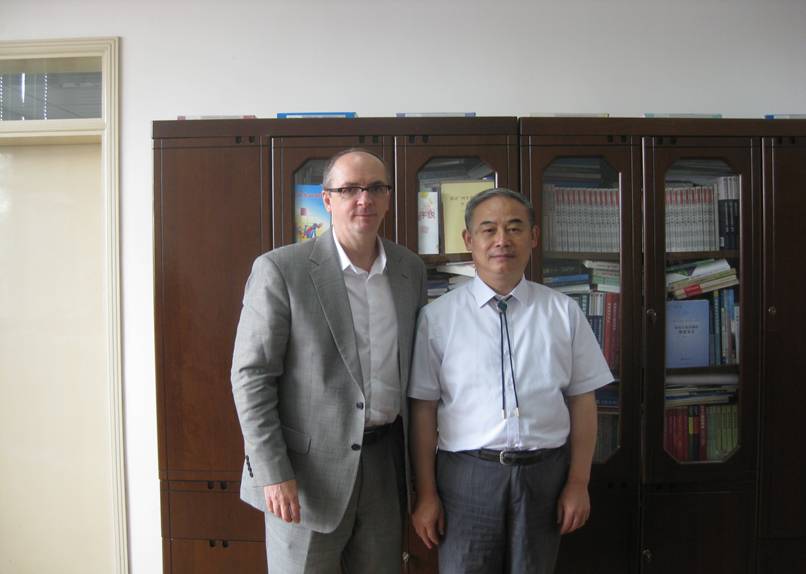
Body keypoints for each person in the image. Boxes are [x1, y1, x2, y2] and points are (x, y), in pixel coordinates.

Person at [231, 149, 427, 573]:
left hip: (385, 467)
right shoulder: (281, 269)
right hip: (303, 475)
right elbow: (251, 378)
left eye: (376, 188)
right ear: (327, 200)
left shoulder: (409, 270)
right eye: (349, 189)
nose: (364, 199)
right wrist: (272, 471)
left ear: (388, 198)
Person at [409, 187, 613, 574]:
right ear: (469, 240)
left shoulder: (564, 312)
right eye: (488, 229)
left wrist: (578, 482)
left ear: (533, 237)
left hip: (545, 476)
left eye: (515, 228)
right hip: (467, 477)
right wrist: (427, 494)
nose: (502, 240)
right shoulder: (437, 318)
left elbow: (583, 401)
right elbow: (423, 410)